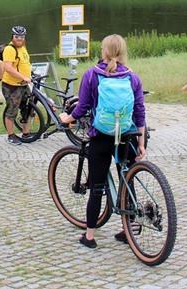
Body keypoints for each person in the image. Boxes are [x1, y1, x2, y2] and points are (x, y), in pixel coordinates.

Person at [58, 34, 146, 249]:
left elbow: (82, 108)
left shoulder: (91, 75)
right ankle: (129, 229)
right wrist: (142, 143)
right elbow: (140, 112)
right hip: (127, 135)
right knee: (128, 178)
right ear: (123, 51)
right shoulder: (132, 77)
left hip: (102, 136)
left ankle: (89, 237)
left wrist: (66, 119)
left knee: (97, 187)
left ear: (104, 51)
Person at [1, 25, 32, 145]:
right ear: (12, 37)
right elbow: (8, 68)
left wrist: (30, 74)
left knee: (28, 108)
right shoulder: (10, 49)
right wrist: (23, 77)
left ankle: (26, 133)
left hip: (24, 84)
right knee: (12, 110)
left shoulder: (23, 47)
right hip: (12, 85)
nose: (19, 39)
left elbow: (25, 63)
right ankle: (11, 135)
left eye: (22, 37)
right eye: (17, 36)